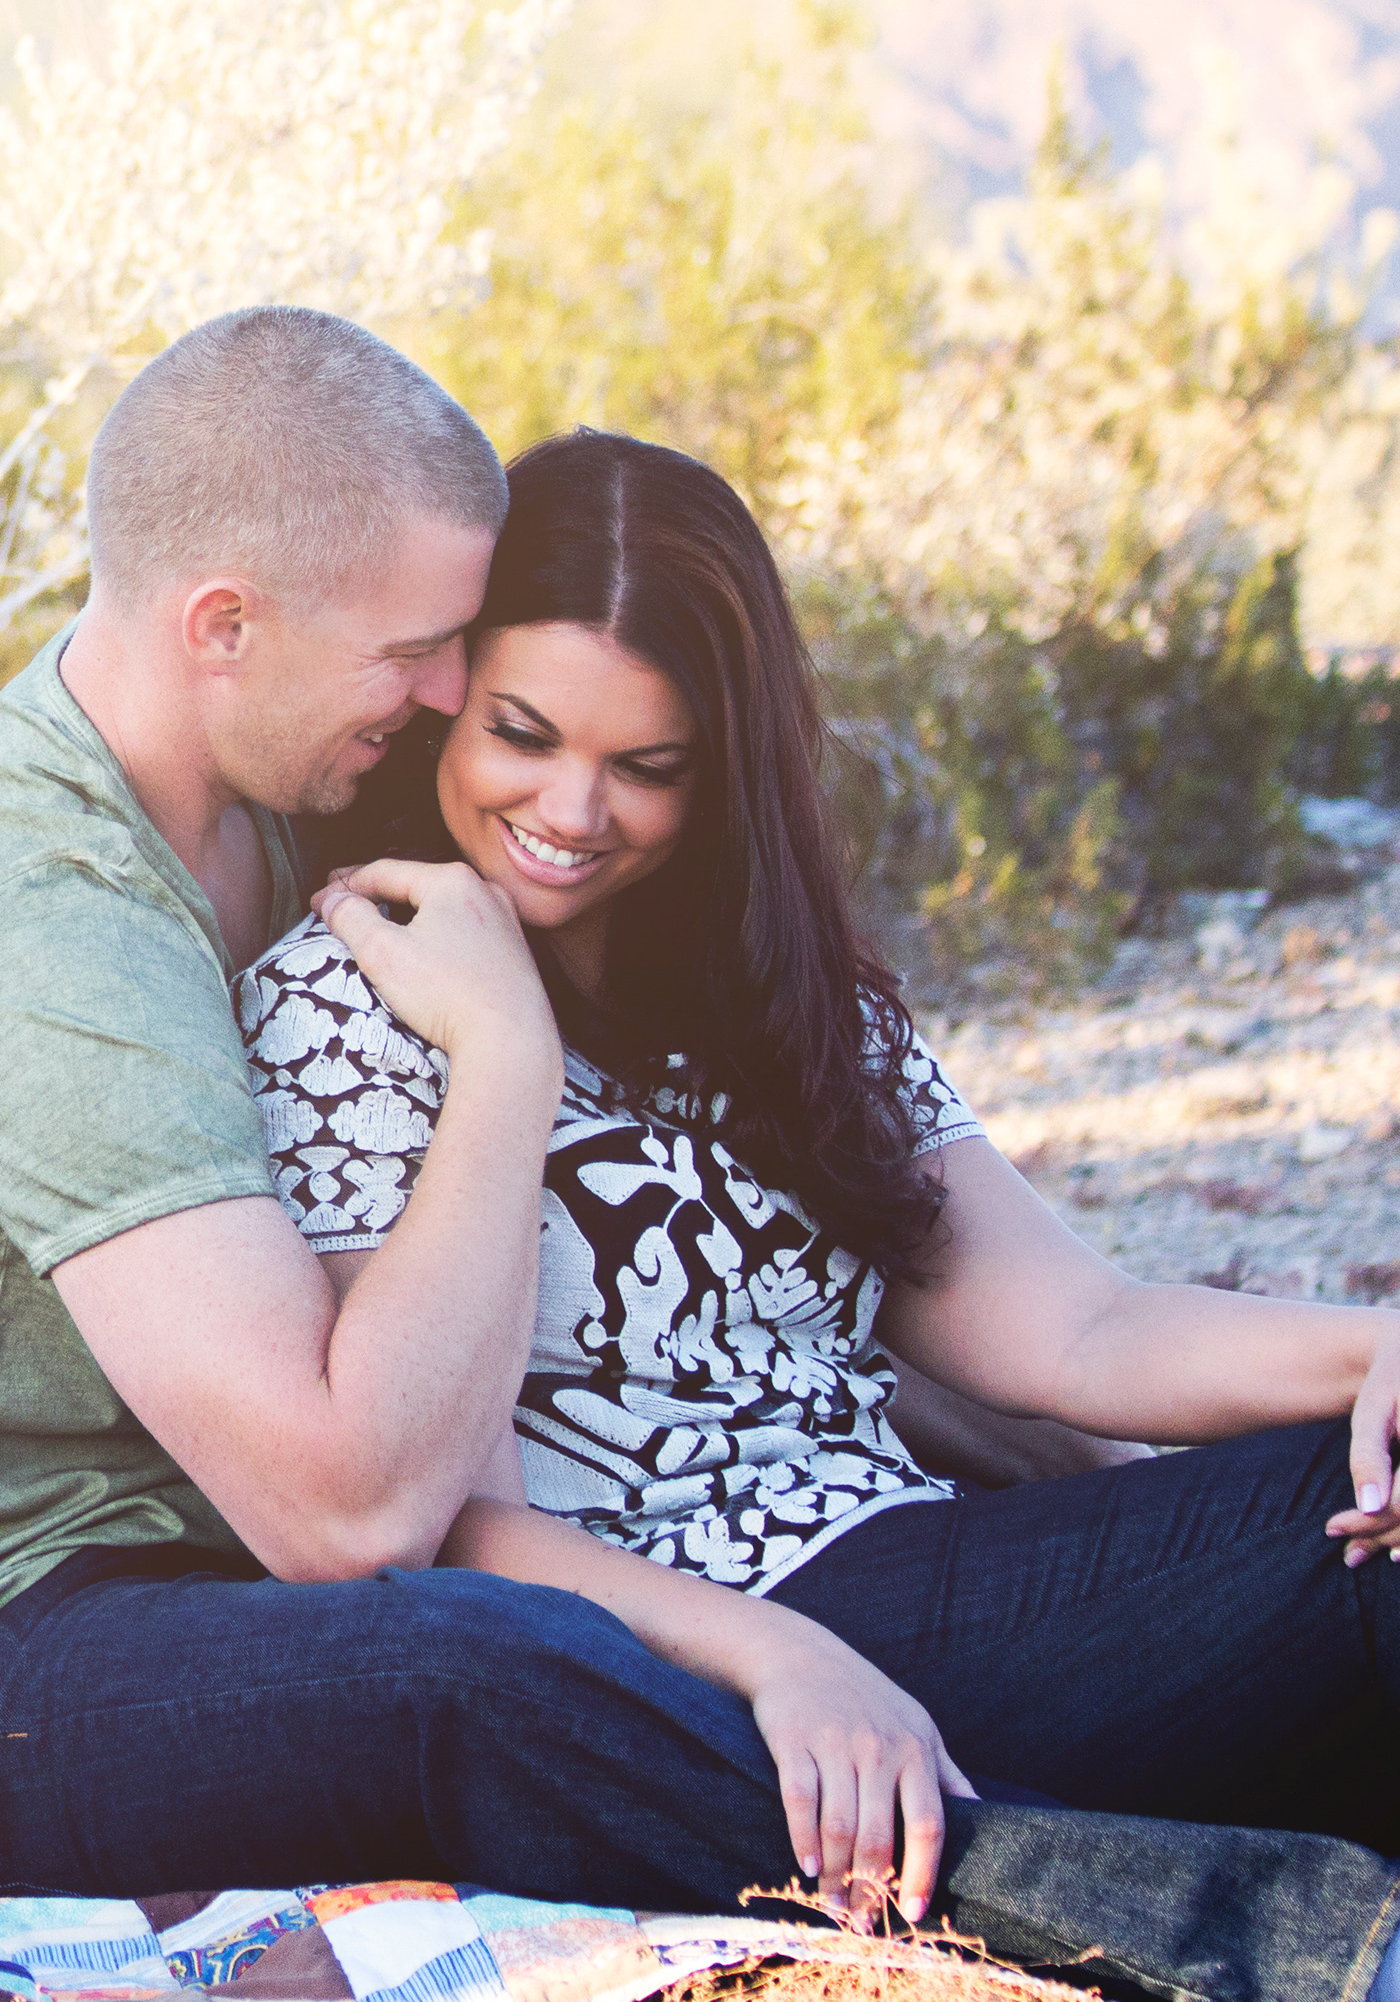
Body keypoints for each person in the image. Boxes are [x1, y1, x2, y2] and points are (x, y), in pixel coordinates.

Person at [0, 308, 1400, 2002]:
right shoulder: (47, 929)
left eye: (630, 755)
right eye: (427, 660)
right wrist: (507, 1055)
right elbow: (361, 1514)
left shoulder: (279, 802)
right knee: (480, 1668)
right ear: (225, 626)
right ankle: (1280, 1945)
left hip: (230, 1565)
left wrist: (1309, 1371)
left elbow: (1045, 1323)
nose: (451, 698)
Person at [241, 426, 1400, 1889]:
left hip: (929, 1576)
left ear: (723, 769)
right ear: (443, 702)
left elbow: (1083, 1330)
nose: (573, 814)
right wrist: (781, 1657)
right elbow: (443, 1519)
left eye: (647, 766)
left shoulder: (785, 997)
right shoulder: (349, 998)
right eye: (523, 736)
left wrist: (1372, 1349)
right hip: (710, 1662)